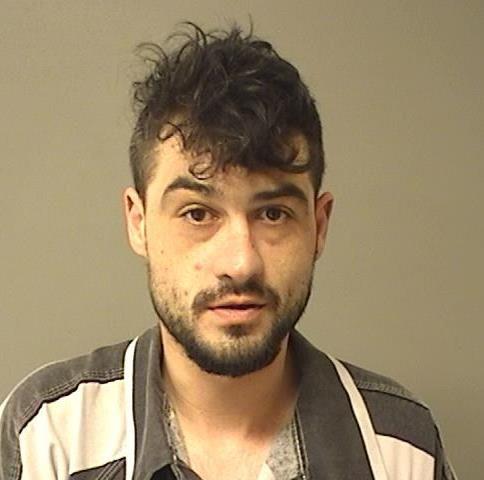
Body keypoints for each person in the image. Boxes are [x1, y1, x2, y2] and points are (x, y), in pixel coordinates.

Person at [0, 22, 457, 480]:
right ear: (138, 223)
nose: (241, 263)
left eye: (273, 214)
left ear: (318, 226)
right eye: (197, 213)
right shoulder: (48, 437)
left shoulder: (400, 448)